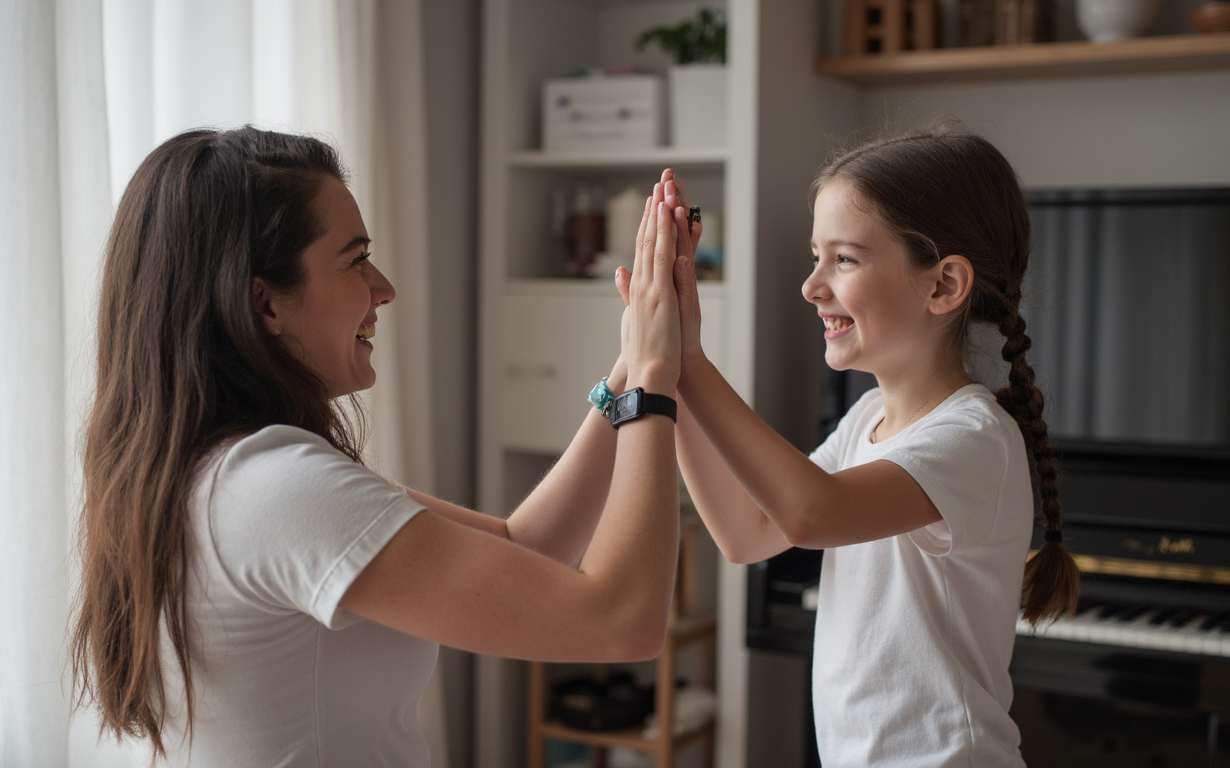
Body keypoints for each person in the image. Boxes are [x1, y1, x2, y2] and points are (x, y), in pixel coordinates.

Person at [69, 126, 695, 766]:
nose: (384, 287)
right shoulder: (277, 488)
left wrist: (629, 363)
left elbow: (525, 548)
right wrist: (652, 383)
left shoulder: (223, 473)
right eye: (354, 259)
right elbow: (624, 620)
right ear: (264, 303)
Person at [627, 128, 1080, 766]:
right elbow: (746, 533)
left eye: (844, 260)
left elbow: (812, 514)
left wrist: (693, 362)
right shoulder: (868, 418)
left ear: (944, 285)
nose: (813, 286)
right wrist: (672, 373)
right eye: (817, 257)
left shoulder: (975, 437)